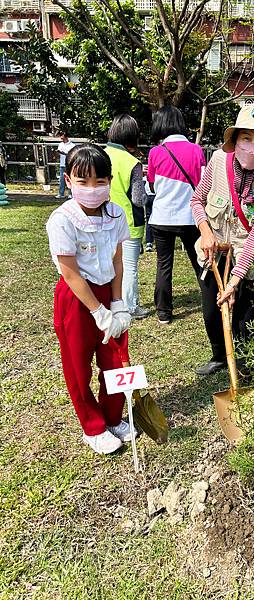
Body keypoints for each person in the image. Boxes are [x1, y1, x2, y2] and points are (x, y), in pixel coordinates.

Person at [46, 143, 137, 454]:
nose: (92, 189)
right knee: (78, 366)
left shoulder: (116, 213)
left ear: (110, 181)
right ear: (69, 181)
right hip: (77, 298)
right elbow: (70, 273)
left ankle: (113, 417)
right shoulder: (62, 219)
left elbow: (117, 259)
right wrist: (98, 312)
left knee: (115, 361)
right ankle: (93, 426)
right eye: (82, 181)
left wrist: (118, 303)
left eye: (100, 181)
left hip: (107, 291)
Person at [191, 105, 254, 376]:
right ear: (236, 140)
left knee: (244, 319)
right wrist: (205, 231)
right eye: (246, 138)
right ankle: (219, 355)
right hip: (212, 254)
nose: (252, 147)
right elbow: (197, 199)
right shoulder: (218, 162)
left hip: (247, 258)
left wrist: (234, 282)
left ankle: (243, 366)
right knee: (211, 313)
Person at [147, 106, 206, 324]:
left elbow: (152, 186)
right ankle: (211, 302)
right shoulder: (196, 150)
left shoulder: (155, 152)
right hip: (191, 218)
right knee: (201, 262)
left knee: (164, 265)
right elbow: (203, 185)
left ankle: (164, 312)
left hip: (162, 218)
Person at [105, 114, 149, 319]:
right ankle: (130, 306)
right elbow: (138, 199)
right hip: (129, 223)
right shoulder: (133, 163)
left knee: (107, 264)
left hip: (102, 220)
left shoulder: (101, 156)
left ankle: (109, 302)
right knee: (128, 266)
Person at [56, 133, 75, 200]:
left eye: (63, 138)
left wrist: (64, 153)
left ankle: (71, 194)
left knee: (70, 179)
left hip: (69, 164)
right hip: (62, 164)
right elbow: (59, 154)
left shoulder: (72, 145)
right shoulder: (60, 144)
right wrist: (58, 153)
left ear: (66, 137)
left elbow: (72, 155)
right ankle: (61, 193)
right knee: (61, 179)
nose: (62, 139)